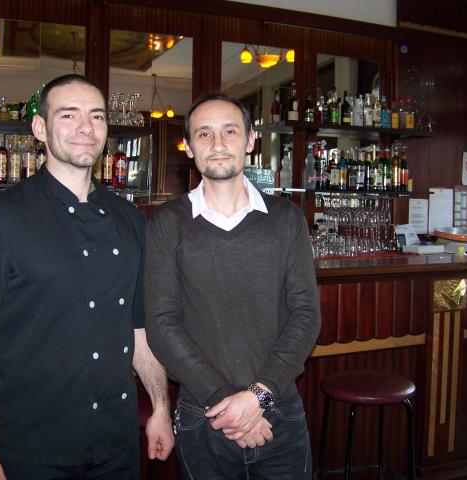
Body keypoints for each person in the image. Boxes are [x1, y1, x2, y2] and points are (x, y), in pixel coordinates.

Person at [0, 74, 174, 480]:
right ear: (40, 128)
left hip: (116, 444)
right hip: (31, 449)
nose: (86, 127)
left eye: (97, 116)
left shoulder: (130, 221)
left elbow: (139, 329)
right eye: (69, 115)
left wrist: (159, 406)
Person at [144, 92, 321, 478]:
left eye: (229, 131)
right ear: (188, 147)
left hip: (279, 411)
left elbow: (306, 315)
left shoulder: (287, 220)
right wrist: (229, 404)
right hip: (203, 415)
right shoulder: (167, 223)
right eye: (204, 134)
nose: (218, 144)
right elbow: (161, 324)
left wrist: (258, 397)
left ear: (250, 140)